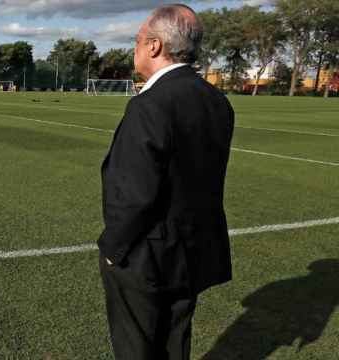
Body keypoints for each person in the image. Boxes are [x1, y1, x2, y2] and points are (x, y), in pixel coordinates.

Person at [97, 4, 235, 360]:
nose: (135, 48)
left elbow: (134, 192)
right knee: (176, 342)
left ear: (155, 46)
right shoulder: (216, 101)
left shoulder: (150, 104)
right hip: (192, 250)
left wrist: (114, 249)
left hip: (146, 256)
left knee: (137, 347)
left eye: (138, 40)